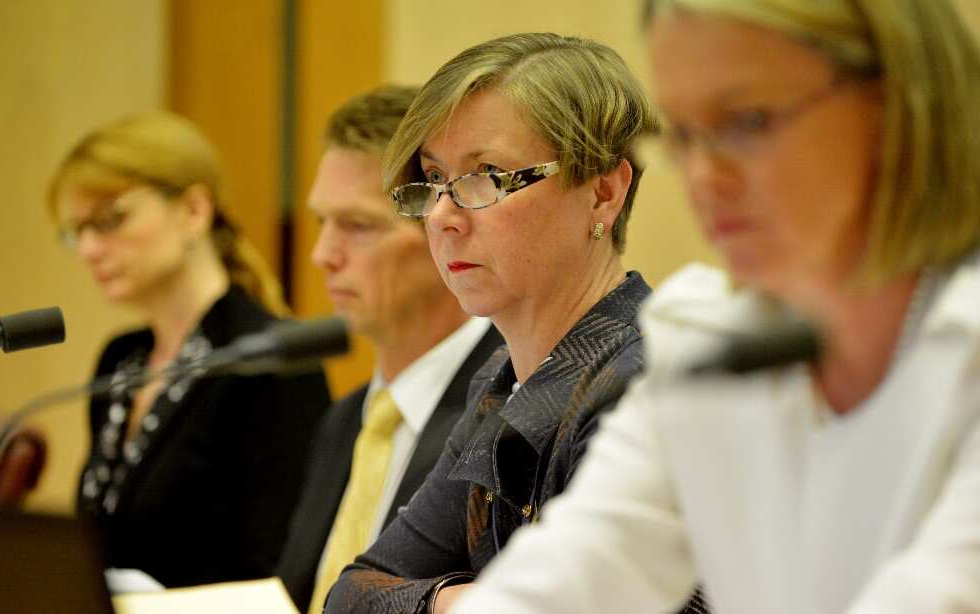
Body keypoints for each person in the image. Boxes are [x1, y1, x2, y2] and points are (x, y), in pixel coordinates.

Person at [450, 1, 980, 613]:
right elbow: (571, 578)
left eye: (747, 122)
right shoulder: (710, 345)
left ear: (895, 106)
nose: (703, 176)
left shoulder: (962, 343)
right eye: (683, 135)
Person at [325, 33, 704, 614]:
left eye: (486, 176)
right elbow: (355, 591)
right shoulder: (501, 380)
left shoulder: (646, 381)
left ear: (603, 193)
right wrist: (459, 604)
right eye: (433, 179)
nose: (445, 216)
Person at [48, 112, 332, 587]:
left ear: (194, 211)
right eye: (79, 231)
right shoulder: (121, 361)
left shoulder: (272, 361)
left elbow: (279, 574)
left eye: (111, 219)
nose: (89, 250)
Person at [274, 85, 504, 614]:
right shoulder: (343, 420)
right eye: (320, 222)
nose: (321, 255)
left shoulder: (507, 403)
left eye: (357, 226)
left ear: (442, 227)